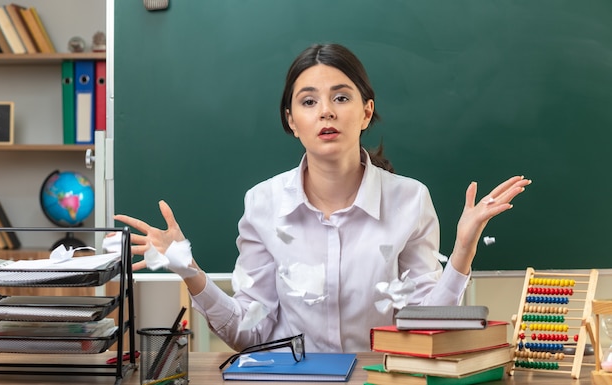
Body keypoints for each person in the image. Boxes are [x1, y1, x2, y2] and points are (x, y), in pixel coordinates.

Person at [114, 43, 531, 353]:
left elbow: (425, 329)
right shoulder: (263, 204)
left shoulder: (410, 200)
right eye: (309, 101)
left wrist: (462, 251)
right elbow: (248, 332)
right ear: (291, 121)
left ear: (366, 112)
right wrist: (188, 269)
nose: (326, 111)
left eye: (341, 97)